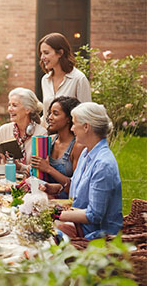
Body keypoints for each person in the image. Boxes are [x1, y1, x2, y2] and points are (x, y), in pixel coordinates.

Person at [42, 102, 123, 240]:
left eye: (74, 123)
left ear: (86, 127)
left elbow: (94, 215)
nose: (72, 128)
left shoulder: (103, 164)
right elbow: (76, 184)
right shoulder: (87, 152)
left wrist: (54, 213)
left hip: (95, 236)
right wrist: (53, 188)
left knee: (38, 235)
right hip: (77, 225)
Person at [30, 96, 84, 198]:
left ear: (69, 118)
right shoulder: (49, 141)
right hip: (45, 199)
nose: (50, 117)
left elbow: (76, 185)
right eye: (50, 113)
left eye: (55, 114)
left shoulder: (77, 146)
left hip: (66, 203)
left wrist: (48, 168)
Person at [37, 32, 91, 124]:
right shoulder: (45, 80)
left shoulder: (78, 79)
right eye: (41, 53)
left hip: (72, 137)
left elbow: (86, 114)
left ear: (60, 53)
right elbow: (46, 115)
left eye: (46, 53)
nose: (42, 57)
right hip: (50, 136)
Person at [0, 88, 47, 173]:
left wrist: (19, 166)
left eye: (14, 105)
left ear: (28, 109)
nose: (10, 109)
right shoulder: (3, 130)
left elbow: (39, 169)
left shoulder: (41, 133)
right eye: (9, 105)